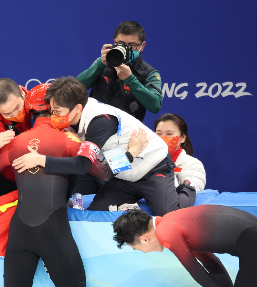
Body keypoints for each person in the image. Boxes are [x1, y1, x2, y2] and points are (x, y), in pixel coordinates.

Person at [13, 76, 194, 216]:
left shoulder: (101, 121)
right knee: (95, 214)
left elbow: (91, 168)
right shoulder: (70, 118)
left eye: (57, 111)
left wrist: (41, 160)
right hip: (123, 176)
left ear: (77, 108)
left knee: (170, 214)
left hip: (152, 169)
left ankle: (187, 186)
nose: (53, 115)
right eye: (52, 110)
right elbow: (102, 171)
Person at [0, 83, 86, 286]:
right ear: (54, 109)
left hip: (19, 232)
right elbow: (102, 174)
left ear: (29, 108)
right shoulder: (70, 139)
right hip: (54, 232)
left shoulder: (15, 142)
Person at [74, 21, 163, 195]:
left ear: (142, 46)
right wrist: (101, 63)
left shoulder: (148, 73)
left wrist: (130, 79)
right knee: (79, 197)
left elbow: (155, 105)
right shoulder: (102, 64)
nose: (127, 50)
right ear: (114, 42)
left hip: (121, 146)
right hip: (90, 141)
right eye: (122, 45)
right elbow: (76, 88)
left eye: (132, 46)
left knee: (111, 196)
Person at [113, 206, 257, 287]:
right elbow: (210, 262)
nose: (143, 252)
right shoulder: (171, 221)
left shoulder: (166, 232)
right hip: (250, 241)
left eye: (136, 248)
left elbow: (197, 272)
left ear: (144, 239)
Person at [154, 113, 206, 192]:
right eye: (159, 134)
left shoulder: (193, 164)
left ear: (182, 138)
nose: (162, 138)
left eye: (169, 134)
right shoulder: (144, 160)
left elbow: (194, 190)